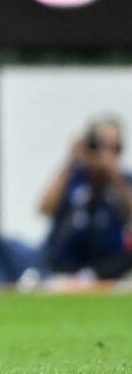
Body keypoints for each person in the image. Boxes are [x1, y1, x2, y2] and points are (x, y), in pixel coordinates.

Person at [38, 116, 132, 280]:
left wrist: (113, 175)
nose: (105, 153)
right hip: (64, 262)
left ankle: (89, 276)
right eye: (99, 146)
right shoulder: (73, 177)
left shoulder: (123, 181)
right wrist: (71, 161)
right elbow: (45, 207)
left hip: (107, 264)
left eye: (115, 147)